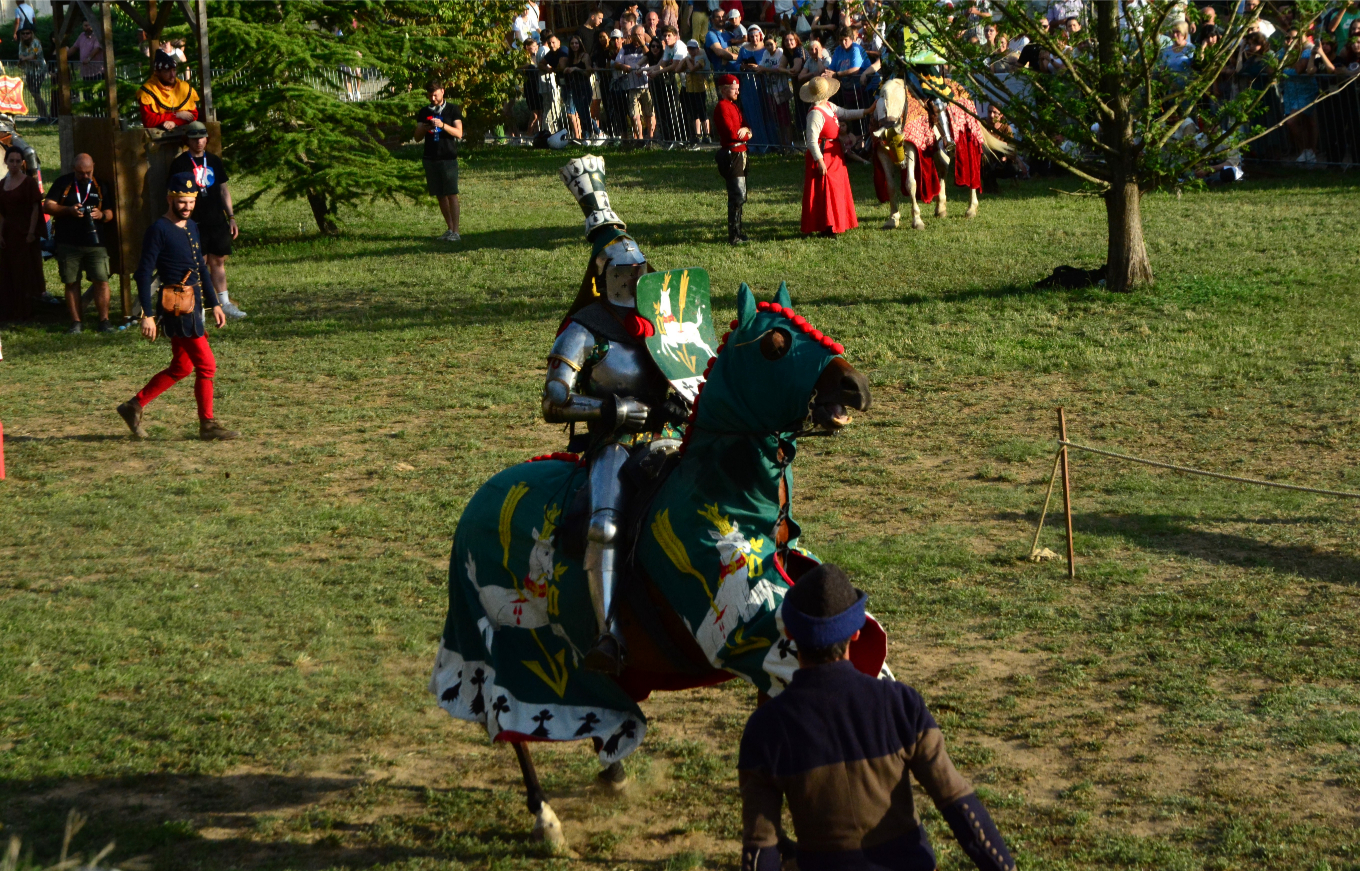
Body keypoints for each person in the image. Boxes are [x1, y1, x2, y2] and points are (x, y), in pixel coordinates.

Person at [738, 564, 1016, 871]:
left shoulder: (764, 729)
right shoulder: (900, 704)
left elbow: (760, 850)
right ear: (856, 632)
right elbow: (958, 805)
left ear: (789, 633)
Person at [549, 154, 689, 675]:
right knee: (605, 528)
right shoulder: (582, 328)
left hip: (668, 433)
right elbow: (553, 400)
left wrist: (682, 397)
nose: (633, 277)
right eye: (624, 270)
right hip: (612, 442)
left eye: (639, 269)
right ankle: (608, 633)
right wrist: (610, 407)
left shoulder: (664, 319)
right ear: (604, 274)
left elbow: (686, 367)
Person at [117, 173, 237, 441]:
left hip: (194, 307)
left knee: (181, 367)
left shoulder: (192, 227)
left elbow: (201, 270)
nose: (187, 207)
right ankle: (207, 425)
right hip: (177, 308)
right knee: (207, 366)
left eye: (190, 202)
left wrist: (215, 303)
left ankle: (133, 406)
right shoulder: (158, 230)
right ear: (170, 198)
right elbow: (143, 272)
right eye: (182, 202)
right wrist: (147, 315)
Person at [168, 121, 244, 318]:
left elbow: (223, 190)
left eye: (202, 137)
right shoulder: (180, 163)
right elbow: (173, 195)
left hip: (216, 220)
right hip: (194, 222)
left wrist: (232, 217)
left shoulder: (214, 160)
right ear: (188, 140)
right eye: (194, 138)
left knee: (218, 260)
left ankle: (224, 303)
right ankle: (198, 306)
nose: (199, 142)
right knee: (197, 263)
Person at [43, 153, 115, 334]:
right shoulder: (63, 183)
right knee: (71, 282)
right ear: (74, 169)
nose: (85, 176)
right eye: (81, 173)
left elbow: (110, 212)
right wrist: (68, 210)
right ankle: (76, 322)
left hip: (95, 243)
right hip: (68, 242)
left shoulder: (100, 185)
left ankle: (104, 321)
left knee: (102, 281)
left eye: (88, 172)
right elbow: (48, 205)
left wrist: (102, 215)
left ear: (94, 167)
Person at [800, 75, 867, 237]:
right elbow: (811, 141)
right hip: (824, 155)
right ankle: (826, 226)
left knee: (836, 189)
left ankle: (836, 222)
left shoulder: (829, 106)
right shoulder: (815, 114)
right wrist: (820, 161)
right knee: (825, 190)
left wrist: (867, 111)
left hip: (834, 155)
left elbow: (845, 113)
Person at [0, 146, 46, 322]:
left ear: (22, 163)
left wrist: (32, 232)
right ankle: (8, 310)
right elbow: (1, 213)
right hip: (8, 233)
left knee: (23, 273)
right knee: (7, 272)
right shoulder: (2, 185)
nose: (14, 164)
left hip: (25, 233)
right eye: (11, 161)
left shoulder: (28, 183)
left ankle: (24, 311)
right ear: (6, 162)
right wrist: (0, 234)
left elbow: (35, 208)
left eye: (18, 161)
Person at [414, 82, 463, 242]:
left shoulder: (452, 109)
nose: (433, 99)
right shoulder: (424, 111)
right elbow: (417, 137)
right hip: (430, 157)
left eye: (435, 95)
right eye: (430, 96)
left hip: (448, 157)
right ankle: (449, 228)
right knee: (440, 195)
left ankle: (456, 231)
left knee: (451, 194)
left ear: (442, 91)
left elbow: (459, 133)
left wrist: (442, 125)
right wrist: (425, 127)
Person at [712, 73, 752, 244]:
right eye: (734, 89)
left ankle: (738, 231)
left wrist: (747, 132)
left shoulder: (733, 106)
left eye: (738, 88)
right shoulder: (722, 106)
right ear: (724, 89)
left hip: (740, 152)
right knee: (737, 195)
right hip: (732, 153)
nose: (737, 92)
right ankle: (734, 235)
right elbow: (732, 132)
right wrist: (745, 134)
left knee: (741, 195)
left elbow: (746, 127)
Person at [139, 50, 200, 130]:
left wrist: (175, 122)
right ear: (157, 73)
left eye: (174, 70)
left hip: (185, 136)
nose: (172, 75)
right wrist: (176, 115)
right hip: (156, 138)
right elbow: (149, 121)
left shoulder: (184, 87)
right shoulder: (148, 91)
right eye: (167, 71)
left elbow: (193, 116)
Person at [615, 26, 654, 143]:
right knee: (634, 114)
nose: (637, 38)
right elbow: (617, 62)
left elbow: (650, 57)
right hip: (632, 86)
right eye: (635, 35)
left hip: (647, 86)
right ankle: (640, 138)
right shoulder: (625, 49)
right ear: (630, 36)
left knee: (649, 113)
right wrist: (622, 66)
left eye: (639, 35)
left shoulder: (648, 47)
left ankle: (650, 138)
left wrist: (643, 43)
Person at [17, 25, 49, 120]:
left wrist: (24, 58)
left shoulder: (36, 42)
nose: (25, 35)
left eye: (28, 33)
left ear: (31, 34)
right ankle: (42, 115)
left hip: (39, 71)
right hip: (29, 71)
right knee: (33, 93)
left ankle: (45, 115)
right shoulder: (21, 44)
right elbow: (20, 55)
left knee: (35, 92)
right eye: (23, 33)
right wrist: (22, 58)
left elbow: (33, 55)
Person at [684, 39, 713, 143]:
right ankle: (698, 134)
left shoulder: (701, 59)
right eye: (689, 49)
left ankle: (707, 134)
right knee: (694, 113)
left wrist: (687, 60)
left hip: (700, 88)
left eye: (693, 49)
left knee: (702, 111)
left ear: (697, 49)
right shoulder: (687, 59)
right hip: (690, 89)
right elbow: (678, 69)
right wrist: (685, 60)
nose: (691, 51)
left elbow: (692, 69)